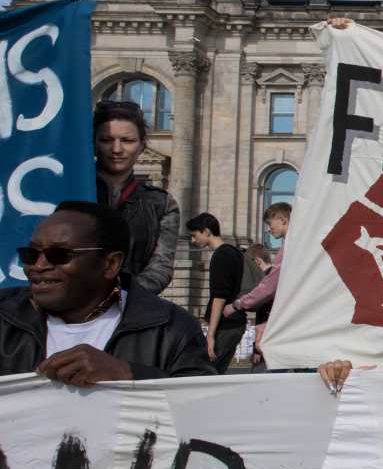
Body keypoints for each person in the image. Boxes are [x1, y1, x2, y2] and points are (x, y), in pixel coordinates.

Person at [0, 201, 211, 381]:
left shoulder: (172, 329)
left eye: (59, 255)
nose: (38, 265)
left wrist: (128, 375)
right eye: (30, 254)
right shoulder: (4, 316)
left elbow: (201, 410)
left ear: (110, 264)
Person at [93, 100, 180, 293]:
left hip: (129, 308)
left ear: (141, 145)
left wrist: (120, 296)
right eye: (107, 140)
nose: (116, 149)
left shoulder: (162, 204)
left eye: (127, 140)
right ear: (94, 143)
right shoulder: (72, 193)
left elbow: (160, 268)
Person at [186, 213, 248, 374]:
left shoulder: (221, 255)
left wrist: (211, 335)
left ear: (206, 231)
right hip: (235, 323)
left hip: (226, 325)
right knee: (216, 372)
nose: (193, 240)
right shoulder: (234, 252)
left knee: (207, 372)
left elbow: (219, 297)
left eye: (194, 235)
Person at [223, 203, 291, 348]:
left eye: (269, 223)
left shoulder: (290, 247)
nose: (268, 229)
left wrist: (238, 304)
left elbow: (269, 287)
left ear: (283, 220)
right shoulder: (303, 241)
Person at [242, 243, 274, 370]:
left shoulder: (265, 281)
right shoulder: (277, 276)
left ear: (257, 262)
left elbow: (263, 315)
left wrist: (257, 348)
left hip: (267, 341)